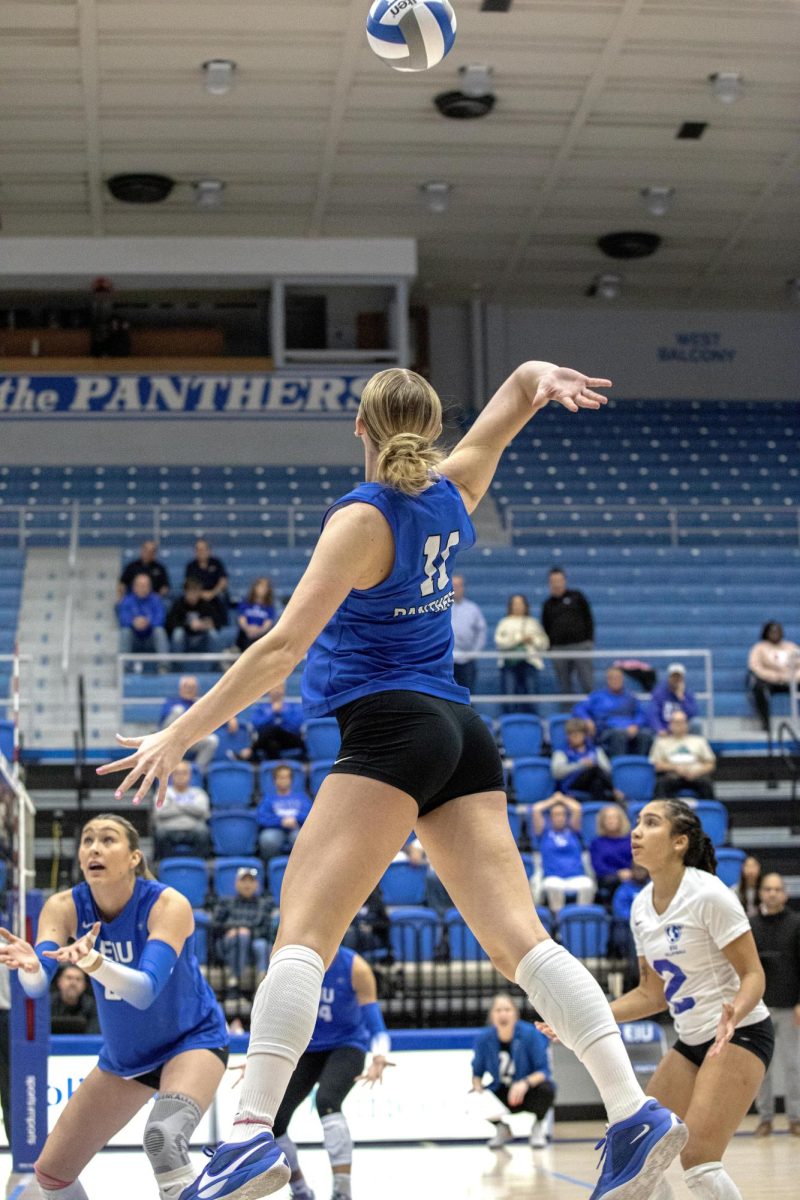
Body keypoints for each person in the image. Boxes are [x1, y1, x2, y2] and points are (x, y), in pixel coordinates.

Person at [101, 361, 687, 1200]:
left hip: (390, 728)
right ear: (430, 425)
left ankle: (250, 1136)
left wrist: (178, 734)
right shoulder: (454, 491)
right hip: (462, 731)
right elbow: (514, 399)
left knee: (302, 934)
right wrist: (539, 380)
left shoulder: (362, 517)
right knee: (525, 944)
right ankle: (633, 1115)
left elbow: (279, 650)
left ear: (359, 428)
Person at [0, 813, 228, 1200]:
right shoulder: (64, 906)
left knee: (163, 1138)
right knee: (52, 1173)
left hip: (191, 1042)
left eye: (107, 840)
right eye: (87, 840)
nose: (94, 848)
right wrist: (33, 968)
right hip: (126, 1058)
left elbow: (144, 991)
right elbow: (36, 986)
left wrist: (93, 962)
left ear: (135, 857)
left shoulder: (168, 904)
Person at [581, 799, 772, 1200]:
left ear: (679, 842)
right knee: (643, 1150)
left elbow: (754, 974)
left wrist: (735, 1010)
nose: (636, 831)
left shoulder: (709, 895)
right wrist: (587, 1019)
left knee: (699, 1161)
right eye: (636, 823)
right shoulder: (639, 906)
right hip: (690, 1041)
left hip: (739, 1034)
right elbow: (653, 995)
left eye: (650, 823)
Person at [273, 946, 392, 1200]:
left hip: (347, 1044)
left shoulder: (355, 967)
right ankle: (300, 1190)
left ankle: (341, 1190)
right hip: (306, 1046)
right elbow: (275, 1016)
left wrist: (380, 1055)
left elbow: (375, 1021)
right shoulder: (296, 965)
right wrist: (260, 1056)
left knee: (327, 1101)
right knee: (275, 1120)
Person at [750, 873, 800, 1138]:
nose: (772, 893)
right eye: (767, 889)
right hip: (758, 1009)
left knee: (794, 1065)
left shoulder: (796, 924)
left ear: (784, 893)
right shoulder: (751, 926)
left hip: (790, 1007)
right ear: (761, 893)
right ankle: (765, 1118)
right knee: (761, 1068)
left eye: (777, 889)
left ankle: (796, 1118)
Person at [471, 992, 555, 1150]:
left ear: (515, 1013)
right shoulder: (485, 1038)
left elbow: (543, 1071)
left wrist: (524, 1083)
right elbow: (477, 1072)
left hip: (528, 1091)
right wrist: (477, 1087)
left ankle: (538, 1128)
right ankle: (502, 1129)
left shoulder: (530, 1034)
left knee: (547, 1088)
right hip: (502, 1090)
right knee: (474, 1097)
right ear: (492, 1015)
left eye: (507, 1009)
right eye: (498, 1010)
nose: (503, 1014)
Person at [531, 792, 596, 912]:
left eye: (562, 814)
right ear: (550, 818)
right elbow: (536, 809)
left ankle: (579, 917)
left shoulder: (573, 831)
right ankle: (558, 921)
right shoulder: (544, 833)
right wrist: (554, 800)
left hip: (575, 876)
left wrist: (562, 799)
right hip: (553, 877)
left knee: (588, 885)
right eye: (555, 815)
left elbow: (577, 808)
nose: (559, 817)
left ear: (566, 817)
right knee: (552, 886)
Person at [573, 666, 653, 759]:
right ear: (607, 680)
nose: (616, 680)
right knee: (619, 734)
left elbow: (641, 714)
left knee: (646, 734)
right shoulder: (597, 696)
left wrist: (635, 725)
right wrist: (587, 720)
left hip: (630, 729)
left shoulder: (630, 697)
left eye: (618, 678)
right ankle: (619, 767)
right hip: (607, 731)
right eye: (612, 678)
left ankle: (639, 766)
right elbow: (578, 708)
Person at [214, 867, 272, 993]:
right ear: (236, 883)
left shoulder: (263, 905)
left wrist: (249, 932)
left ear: (257, 884)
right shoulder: (226, 903)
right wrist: (231, 931)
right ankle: (234, 982)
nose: (247, 885)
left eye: (251, 881)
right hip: (229, 942)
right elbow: (216, 925)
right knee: (241, 938)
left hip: (253, 942)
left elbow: (266, 929)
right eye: (243, 881)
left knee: (262, 945)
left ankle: (262, 984)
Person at [540, 567, 594, 697]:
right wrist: (551, 647)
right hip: (559, 648)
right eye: (553, 581)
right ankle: (568, 714)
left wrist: (589, 641)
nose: (557, 584)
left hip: (580, 645)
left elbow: (588, 618)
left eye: (559, 580)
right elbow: (545, 625)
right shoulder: (547, 604)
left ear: (565, 580)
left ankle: (592, 712)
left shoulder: (577, 596)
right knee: (565, 686)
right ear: (549, 583)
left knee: (587, 683)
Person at [494, 593, 549, 712]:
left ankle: (532, 721)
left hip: (530, 662)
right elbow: (500, 642)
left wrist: (533, 640)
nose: (518, 606)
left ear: (526, 606)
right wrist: (518, 639)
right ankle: (509, 720)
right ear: (510, 606)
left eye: (520, 603)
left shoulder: (533, 623)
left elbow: (544, 643)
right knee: (509, 693)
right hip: (509, 664)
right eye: (515, 604)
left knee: (531, 693)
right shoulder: (504, 622)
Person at [152, 760, 211, 861]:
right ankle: (166, 865)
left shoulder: (199, 793)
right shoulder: (163, 792)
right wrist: (189, 808)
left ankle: (199, 865)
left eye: (184, 773)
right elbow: (160, 812)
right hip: (168, 829)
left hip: (194, 829)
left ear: (190, 775)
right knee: (160, 834)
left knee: (204, 833)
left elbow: (203, 812)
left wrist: (175, 805)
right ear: (172, 775)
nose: (180, 776)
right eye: (177, 773)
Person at [650, 711, 716, 800]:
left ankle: (709, 812)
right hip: (672, 775)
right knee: (661, 784)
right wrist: (676, 768)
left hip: (696, 775)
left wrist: (697, 772)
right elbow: (656, 765)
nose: (679, 725)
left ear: (687, 724)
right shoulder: (661, 742)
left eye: (682, 722)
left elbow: (711, 764)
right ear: (670, 724)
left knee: (706, 783)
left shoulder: (699, 741)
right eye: (676, 722)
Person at [747, 621, 800, 732]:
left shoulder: (791, 647)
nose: (775, 634)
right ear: (766, 633)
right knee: (759, 689)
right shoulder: (759, 648)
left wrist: (792, 677)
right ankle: (765, 723)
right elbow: (755, 667)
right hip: (769, 680)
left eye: (778, 631)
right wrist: (773, 676)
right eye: (772, 632)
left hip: (791, 680)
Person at [159, 676, 219, 771]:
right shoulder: (171, 701)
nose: (189, 690)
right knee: (178, 710)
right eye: (187, 686)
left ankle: (196, 771)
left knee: (212, 740)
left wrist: (231, 718)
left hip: (190, 738)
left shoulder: (199, 704)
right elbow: (164, 723)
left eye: (192, 687)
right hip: (170, 738)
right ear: (180, 688)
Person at [550, 716, 617, 802]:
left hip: (591, 783)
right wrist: (581, 765)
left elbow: (608, 770)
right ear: (567, 736)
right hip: (571, 783)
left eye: (578, 734)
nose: (575, 737)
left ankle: (598, 807)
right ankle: (615, 791)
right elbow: (557, 772)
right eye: (572, 735)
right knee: (594, 768)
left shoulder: (595, 750)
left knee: (597, 782)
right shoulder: (562, 752)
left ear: (584, 735)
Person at [256, 766, 312, 865]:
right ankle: (271, 867)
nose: (283, 780)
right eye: (280, 777)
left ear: (291, 780)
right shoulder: (268, 799)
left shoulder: (301, 797)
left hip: (297, 828)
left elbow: (310, 814)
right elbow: (262, 818)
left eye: (286, 777)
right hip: (275, 830)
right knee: (267, 839)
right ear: (275, 780)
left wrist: (296, 819)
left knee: (302, 837)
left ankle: (302, 866)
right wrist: (281, 821)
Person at [239, 683, 306, 763]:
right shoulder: (261, 707)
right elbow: (256, 725)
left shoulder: (293, 706)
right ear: (268, 691)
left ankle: (251, 749)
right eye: (274, 688)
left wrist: (283, 713)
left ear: (284, 690)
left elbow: (297, 725)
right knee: (271, 744)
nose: (277, 690)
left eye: (279, 688)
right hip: (269, 741)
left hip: (290, 740)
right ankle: (278, 766)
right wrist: (272, 713)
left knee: (275, 729)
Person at [166, 578, 223, 658]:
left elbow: (217, 622)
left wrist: (206, 624)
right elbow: (170, 623)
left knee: (213, 633)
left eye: (196, 592)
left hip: (202, 635)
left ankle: (216, 661)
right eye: (191, 592)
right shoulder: (179, 604)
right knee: (178, 633)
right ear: (185, 592)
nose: (193, 595)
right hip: (185, 635)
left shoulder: (205, 604)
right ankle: (177, 662)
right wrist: (189, 625)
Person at [117, 572, 169, 660]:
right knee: (125, 631)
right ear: (134, 587)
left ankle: (164, 667)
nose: (143, 588)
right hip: (134, 637)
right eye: (140, 585)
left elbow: (161, 618)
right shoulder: (127, 600)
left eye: (146, 585)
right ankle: (124, 667)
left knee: (159, 631)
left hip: (151, 637)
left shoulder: (156, 600)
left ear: (150, 587)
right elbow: (122, 618)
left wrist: (148, 622)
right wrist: (133, 622)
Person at [450, 573, 487, 692]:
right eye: (453, 585)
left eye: (459, 585)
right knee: (446, 695)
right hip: (446, 659)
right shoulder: (441, 608)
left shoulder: (473, 608)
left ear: (463, 588)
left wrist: (474, 653)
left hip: (467, 660)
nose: (456, 588)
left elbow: (481, 632)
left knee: (468, 694)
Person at [590, 805, 633, 906]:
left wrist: (632, 873)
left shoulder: (631, 840)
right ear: (602, 822)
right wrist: (618, 873)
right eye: (608, 818)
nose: (611, 821)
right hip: (609, 879)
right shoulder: (597, 843)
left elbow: (639, 861)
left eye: (614, 817)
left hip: (633, 876)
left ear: (621, 820)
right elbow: (598, 866)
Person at [184, 539, 229, 629]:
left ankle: (222, 623)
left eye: (203, 549)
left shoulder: (216, 563)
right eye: (198, 550)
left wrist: (213, 593)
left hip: (214, 593)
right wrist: (200, 594)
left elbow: (223, 581)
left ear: (209, 550)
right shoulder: (191, 566)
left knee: (224, 596)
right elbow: (188, 584)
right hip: (197, 594)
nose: (201, 552)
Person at [648, 664, 700, 735]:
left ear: (682, 679)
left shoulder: (688, 694)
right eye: (674, 677)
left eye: (678, 677)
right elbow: (653, 714)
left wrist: (682, 698)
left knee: (696, 723)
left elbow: (693, 714)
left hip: (683, 728)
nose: (676, 680)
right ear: (669, 678)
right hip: (665, 727)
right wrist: (659, 729)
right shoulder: (659, 693)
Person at [50, 965, 100, 1034]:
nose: (73, 983)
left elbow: (93, 1035)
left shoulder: (93, 1006)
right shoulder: (47, 1004)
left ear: (84, 985)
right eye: (69, 978)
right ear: (59, 982)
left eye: (78, 979)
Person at [236, 578, 277, 655]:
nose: (262, 590)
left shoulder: (269, 606)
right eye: (260, 586)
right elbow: (241, 618)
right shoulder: (246, 602)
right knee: (244, 638)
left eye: (265, 587)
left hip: (261, 635)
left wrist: (259, 631)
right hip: (246, 634)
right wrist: (248, 628)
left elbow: (268, 623)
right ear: (254, 587)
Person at [732, 855, 762, 919]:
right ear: (742, 869)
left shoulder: (765, 890)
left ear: (759, 868)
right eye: (747, 866)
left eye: (753, 866)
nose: (750, 870)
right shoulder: (734, 891)